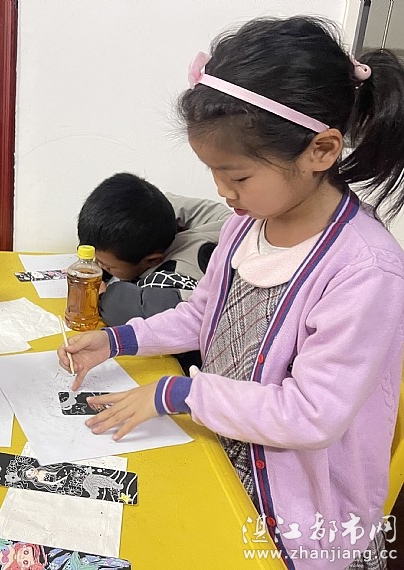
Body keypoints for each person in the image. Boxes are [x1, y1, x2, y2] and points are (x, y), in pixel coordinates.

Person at [59, 16, 404, 570]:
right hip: (226, 459)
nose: (223, 192)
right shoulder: (246, 227)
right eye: (214, 174)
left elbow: (311, 413)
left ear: (321, 150)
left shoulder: (365, 270)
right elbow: (204, 314)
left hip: (299, 521)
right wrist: (118, 340)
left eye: (237, 177)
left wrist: (180, 393)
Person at [77, 172, 230, 372]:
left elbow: (135, 311)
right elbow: (163, 205)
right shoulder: (223, 221)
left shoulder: (174, 277)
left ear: (152, 260)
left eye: (107, 266)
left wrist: (102, 296)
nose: (99, 267)